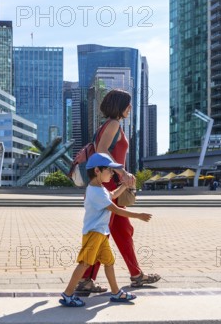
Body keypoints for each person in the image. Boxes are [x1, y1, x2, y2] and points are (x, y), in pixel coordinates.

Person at [76, 89, 161, 293]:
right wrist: (121, 170)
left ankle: (136, 275)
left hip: (111, 183)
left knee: (123, 231)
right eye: (128, 105)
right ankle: (85, 279)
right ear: (120, 106)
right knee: (101, 232)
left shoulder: (108, 125)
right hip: (109, 185)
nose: (130, 109)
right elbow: (102, 151)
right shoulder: (113, 124)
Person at [59, 153, 152, 307]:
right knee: (84, 264)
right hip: (94, 234)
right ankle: (68, 294)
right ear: (97, 171)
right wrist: (138, 215)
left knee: (109, 262)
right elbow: (115, 209)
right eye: (109, 170)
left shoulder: (99, 188)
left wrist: (124, 185)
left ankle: (116, 293)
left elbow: (113, 195)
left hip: (101, 233)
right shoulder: (95, 192)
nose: (112, 173)